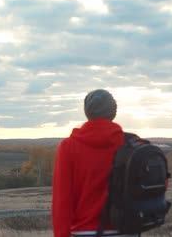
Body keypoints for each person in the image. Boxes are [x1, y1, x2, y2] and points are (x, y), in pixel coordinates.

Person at [52, 89, 136, 237]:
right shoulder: (132, 144)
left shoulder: (68, 147)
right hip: (126, 229)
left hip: (85, 231)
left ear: (86, 112)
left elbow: (62, 200)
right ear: (114, 112)